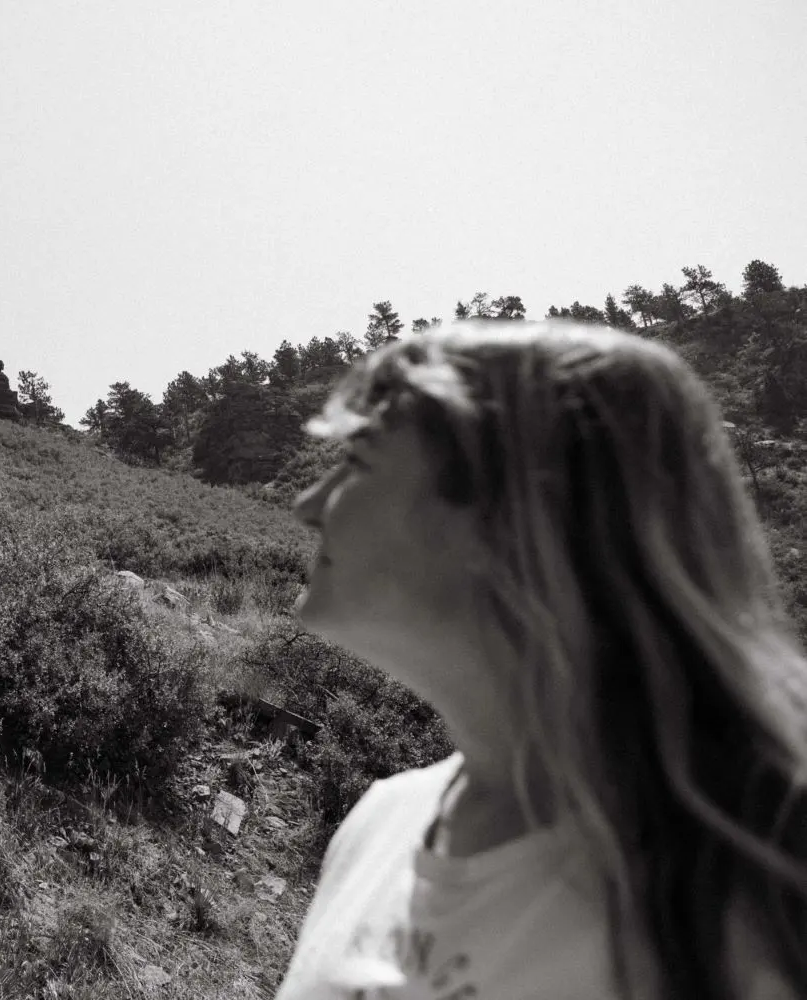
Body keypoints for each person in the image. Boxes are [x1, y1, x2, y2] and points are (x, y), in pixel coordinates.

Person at [275, 321, 807, 999]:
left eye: (356, 461)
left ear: (513, 516)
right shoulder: (380, 824)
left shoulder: (754, 896)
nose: (306, 504)